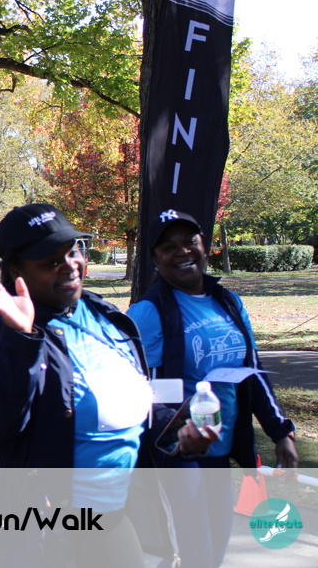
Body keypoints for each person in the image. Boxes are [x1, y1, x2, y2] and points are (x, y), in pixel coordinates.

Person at [0, 204, 211, 568]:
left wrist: (177, 431)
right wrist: (21, 339)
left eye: (74, 251)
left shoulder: (105, 316)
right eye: (51, 261)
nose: (70, 265)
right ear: (17, 270)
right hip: (36, 525)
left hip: (111, 514)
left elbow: (130, 399)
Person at [127, 210, 297, 568]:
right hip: (178, 452)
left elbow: (253, 372)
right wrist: (177, 434)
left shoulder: (229, 302)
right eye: (168, 247)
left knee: (215, 547)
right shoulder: (149, 312)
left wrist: (280, 431)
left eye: (190, 241)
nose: (182, 251)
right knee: (195, 553)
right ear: (155, 259)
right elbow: (143, 391)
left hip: (221, 447)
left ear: (204, 246)